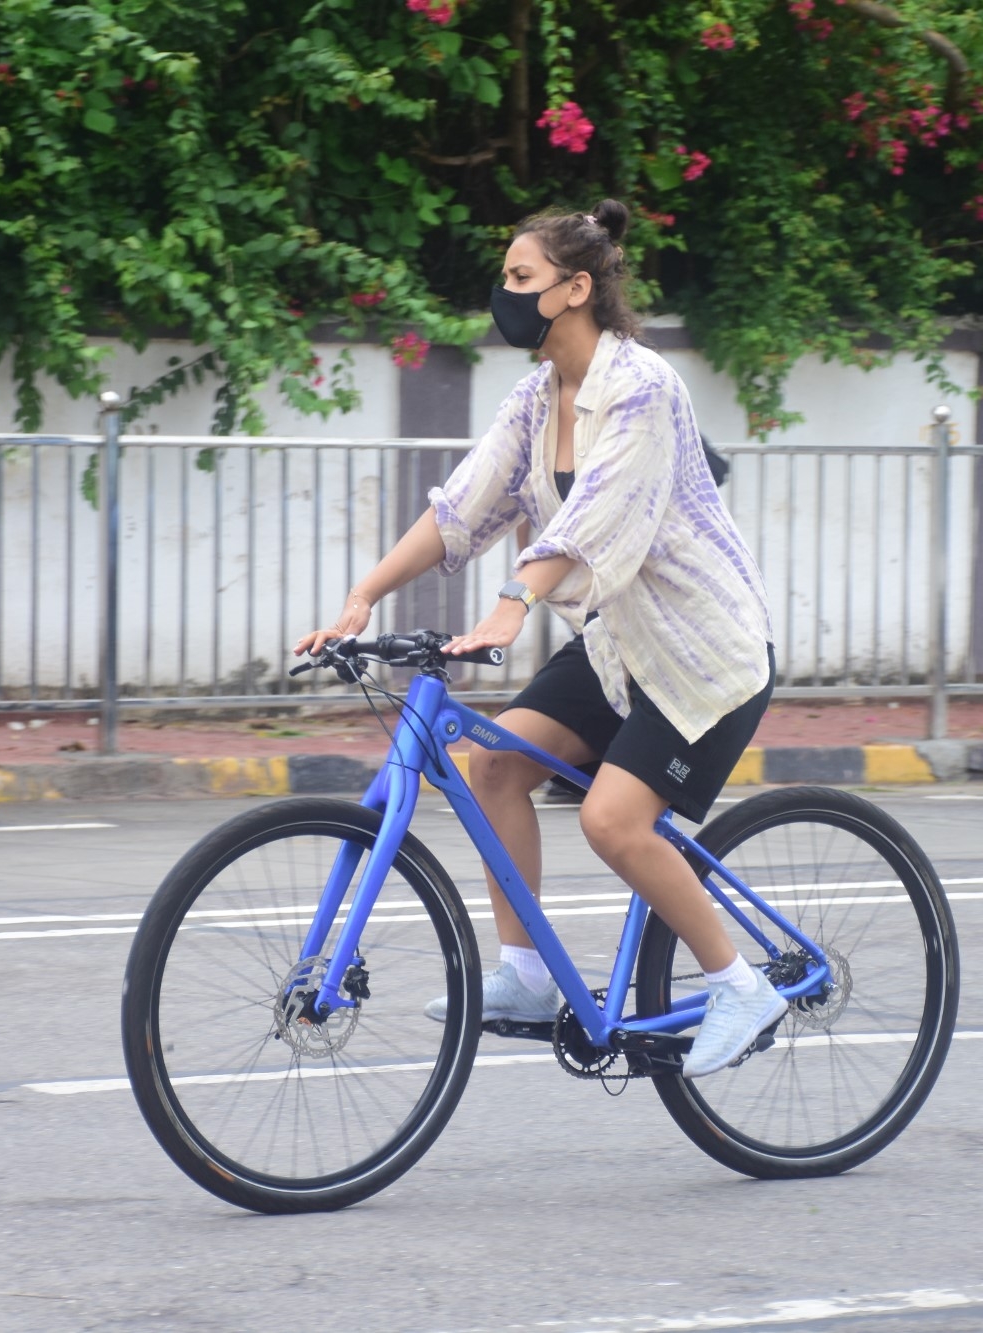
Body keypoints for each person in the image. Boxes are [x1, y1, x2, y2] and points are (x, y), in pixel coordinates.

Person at [293, 199, 781, 1079]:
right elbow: (461, 509)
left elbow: (597, 519)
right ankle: (524, 974)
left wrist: (515, 600)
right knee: (495, 765)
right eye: (507, 277)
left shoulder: (641, 388)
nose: (504, 294)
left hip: (701, 656)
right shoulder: (534, 398)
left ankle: (743, 985)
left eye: (522, 279)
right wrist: (362, 596)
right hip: (614, 645)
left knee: (612, 820)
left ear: (577, 289)